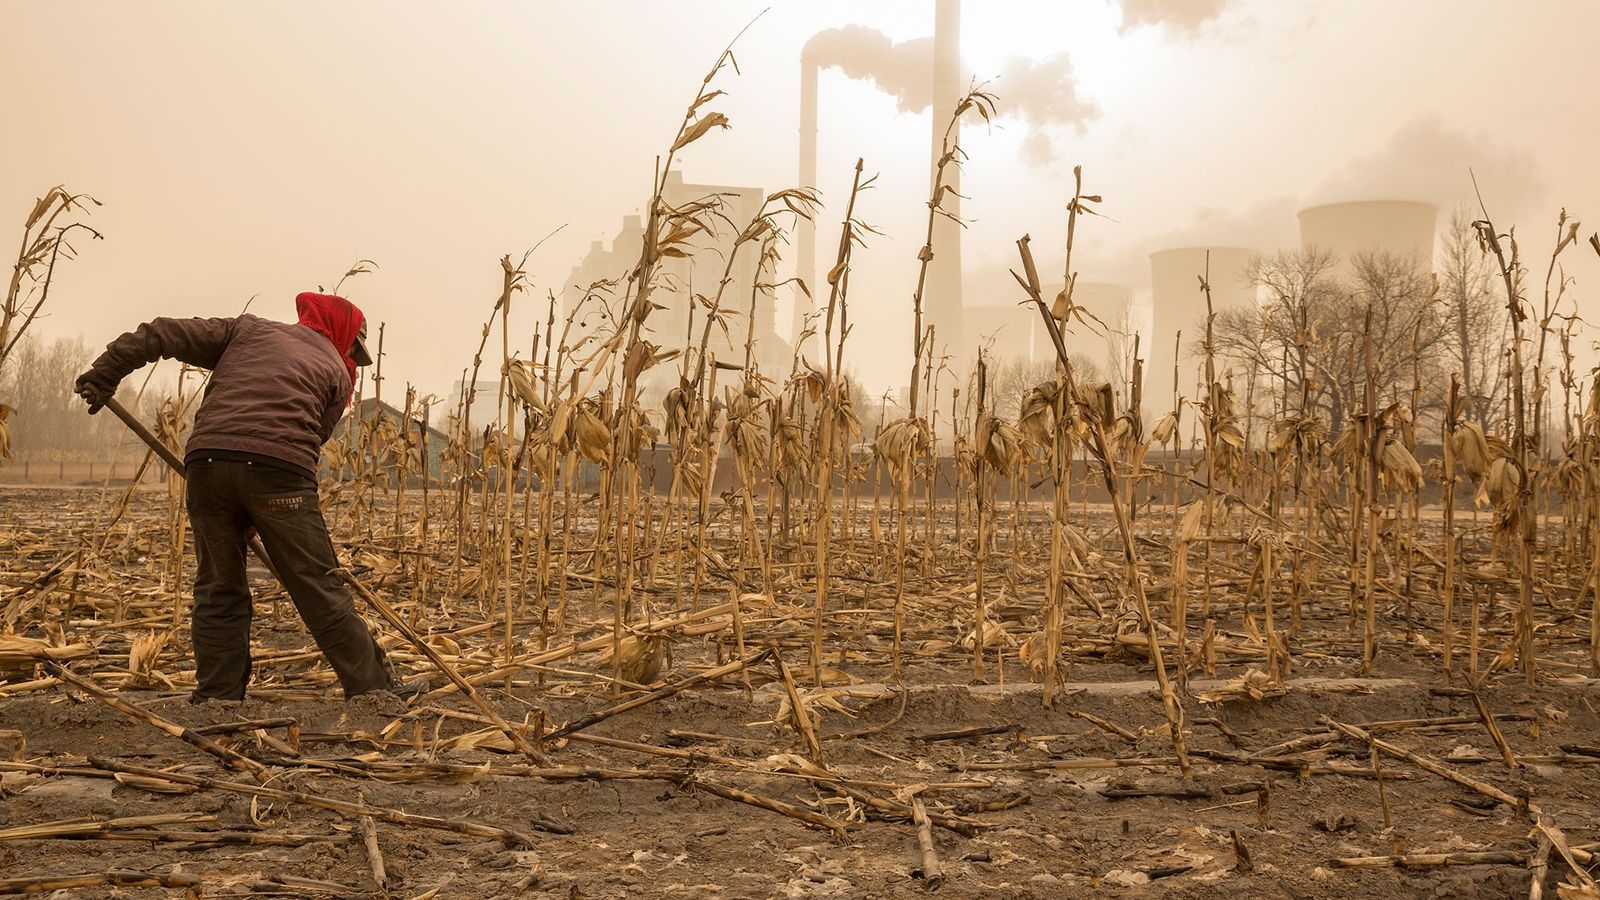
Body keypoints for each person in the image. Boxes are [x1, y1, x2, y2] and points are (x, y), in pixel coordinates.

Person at [75, 292, 402, 703]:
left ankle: (218, 696)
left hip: (208, 465)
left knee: (218, 585)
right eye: (355, 346)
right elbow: (311, 441)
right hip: (279, 472)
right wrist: (261, 509)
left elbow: (161, 333)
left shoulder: (247, 331)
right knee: (319, 586)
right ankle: (374, 691)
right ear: (345, 333)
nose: (354, 356)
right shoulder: (337, 369)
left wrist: (105, 373)